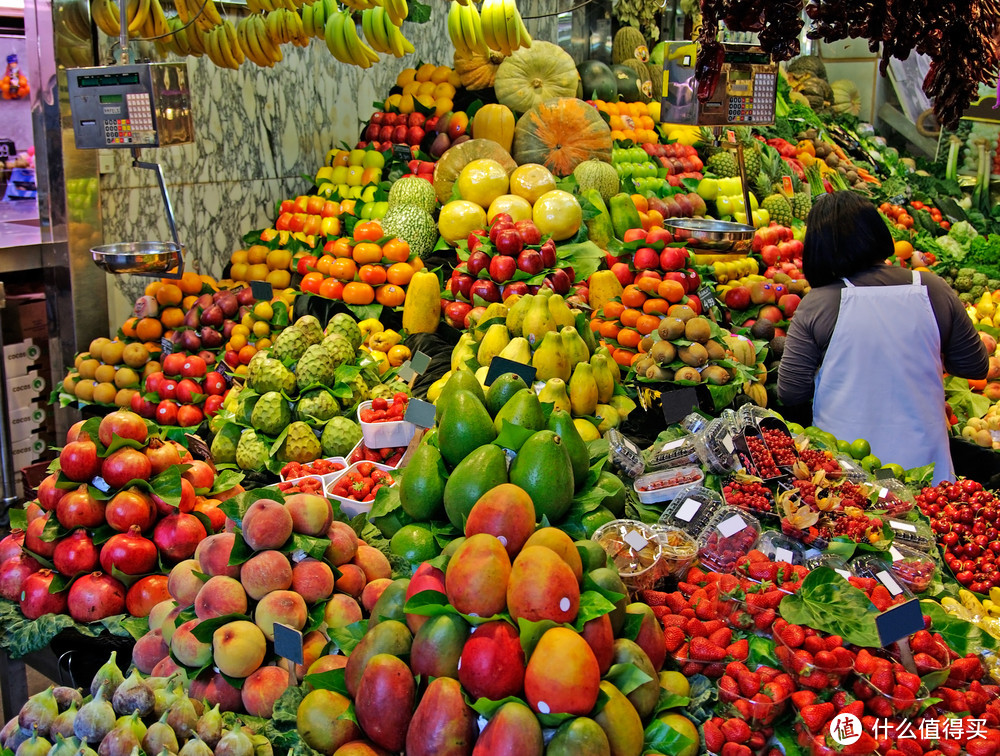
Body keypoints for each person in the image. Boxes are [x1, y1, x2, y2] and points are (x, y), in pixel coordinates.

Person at [776, 191, 988, 483]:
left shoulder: (818, 303)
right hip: (925, 464)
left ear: (819, 247)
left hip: (845, 468)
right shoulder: (932, 287)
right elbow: (974, 366)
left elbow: (790, 392)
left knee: (856, 526)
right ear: (876, 232)